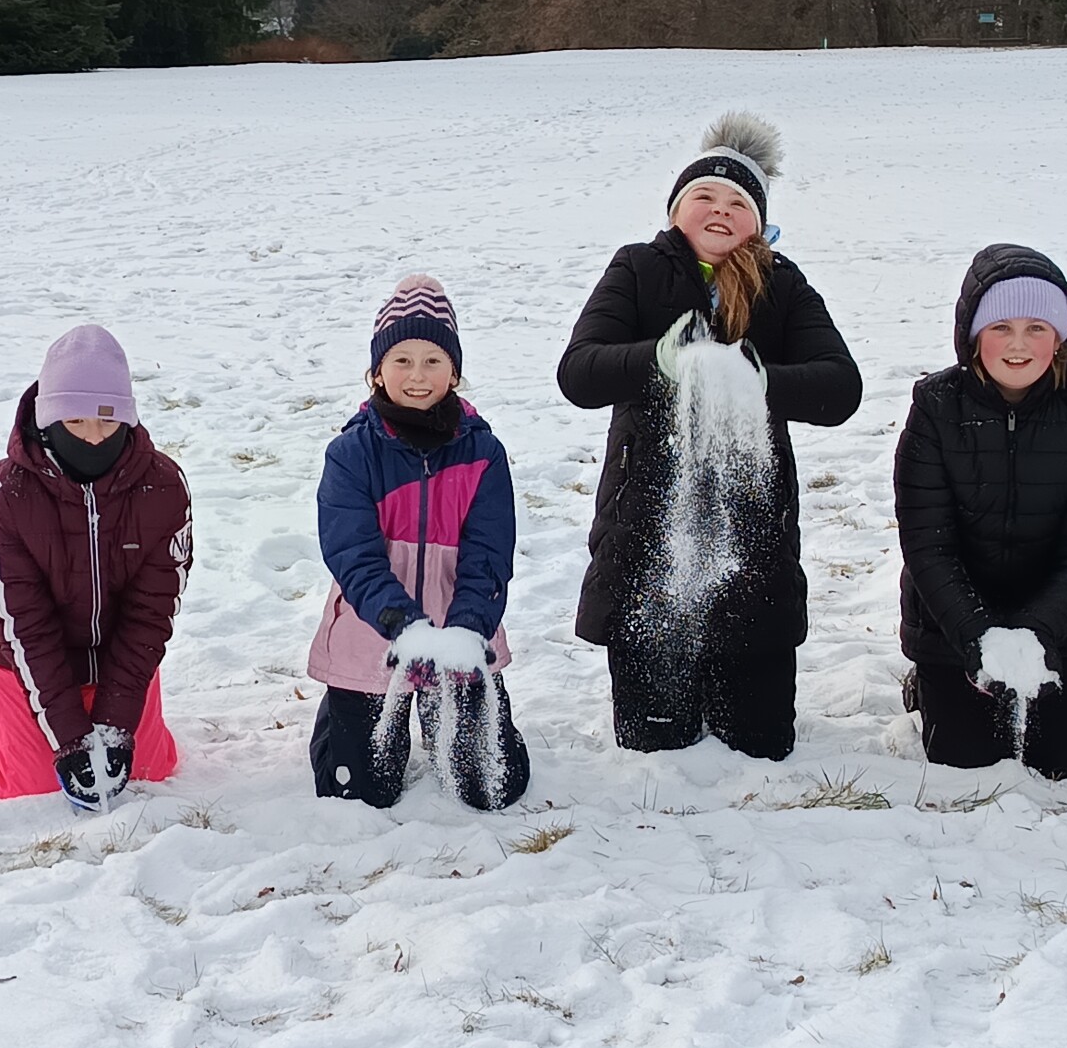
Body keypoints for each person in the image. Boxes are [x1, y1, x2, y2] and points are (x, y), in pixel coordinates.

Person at [558, 114, 861, 761]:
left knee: (759, 748)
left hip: (752, 544)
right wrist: (658, 360)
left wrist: (758, 378)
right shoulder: (637, 268)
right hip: (646, 542)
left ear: (759, 223)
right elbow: (579, 372)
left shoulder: (782, 284)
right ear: (675, 210)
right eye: (704, 196)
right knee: (656, 750)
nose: (720, 210)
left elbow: (841, 388)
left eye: (738, 203)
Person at [894, 245, 1067, 780]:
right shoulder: (935, 406)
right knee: (966, 761)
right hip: (955, 627)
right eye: (1001, 327)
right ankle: (928, 684)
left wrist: (1041, 630)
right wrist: (975, 634)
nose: (1018, 344)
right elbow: (928, 544)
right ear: (975, 335)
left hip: (1054, 628)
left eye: (1036, 328)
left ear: (1060, 338)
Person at [308, 275, 530, 809]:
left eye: (432, 360)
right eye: (402, 360)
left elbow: (489, 554)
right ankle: (343, 709)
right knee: (360, 791)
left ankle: (452, 712)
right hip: (376, 632)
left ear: (454, 372)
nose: (416, 375)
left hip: (458, 634)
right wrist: (401, 624)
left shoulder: (484, 453)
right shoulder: (351, 454)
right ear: (377, 371)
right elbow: (353, 556)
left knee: (489, 787)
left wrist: (468, 631)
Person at [0, 325, 191, 808]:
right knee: (32, 783)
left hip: (116, 648)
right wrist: (69, 738)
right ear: (48, 419)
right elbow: (23, 623)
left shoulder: (164, 486)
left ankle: (100, 716)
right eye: (75, 423)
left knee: (149, 769)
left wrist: (115, 725)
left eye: (108, 422)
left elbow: (151, 611)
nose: (92, 438)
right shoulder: (6, 495)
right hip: (22, 652)